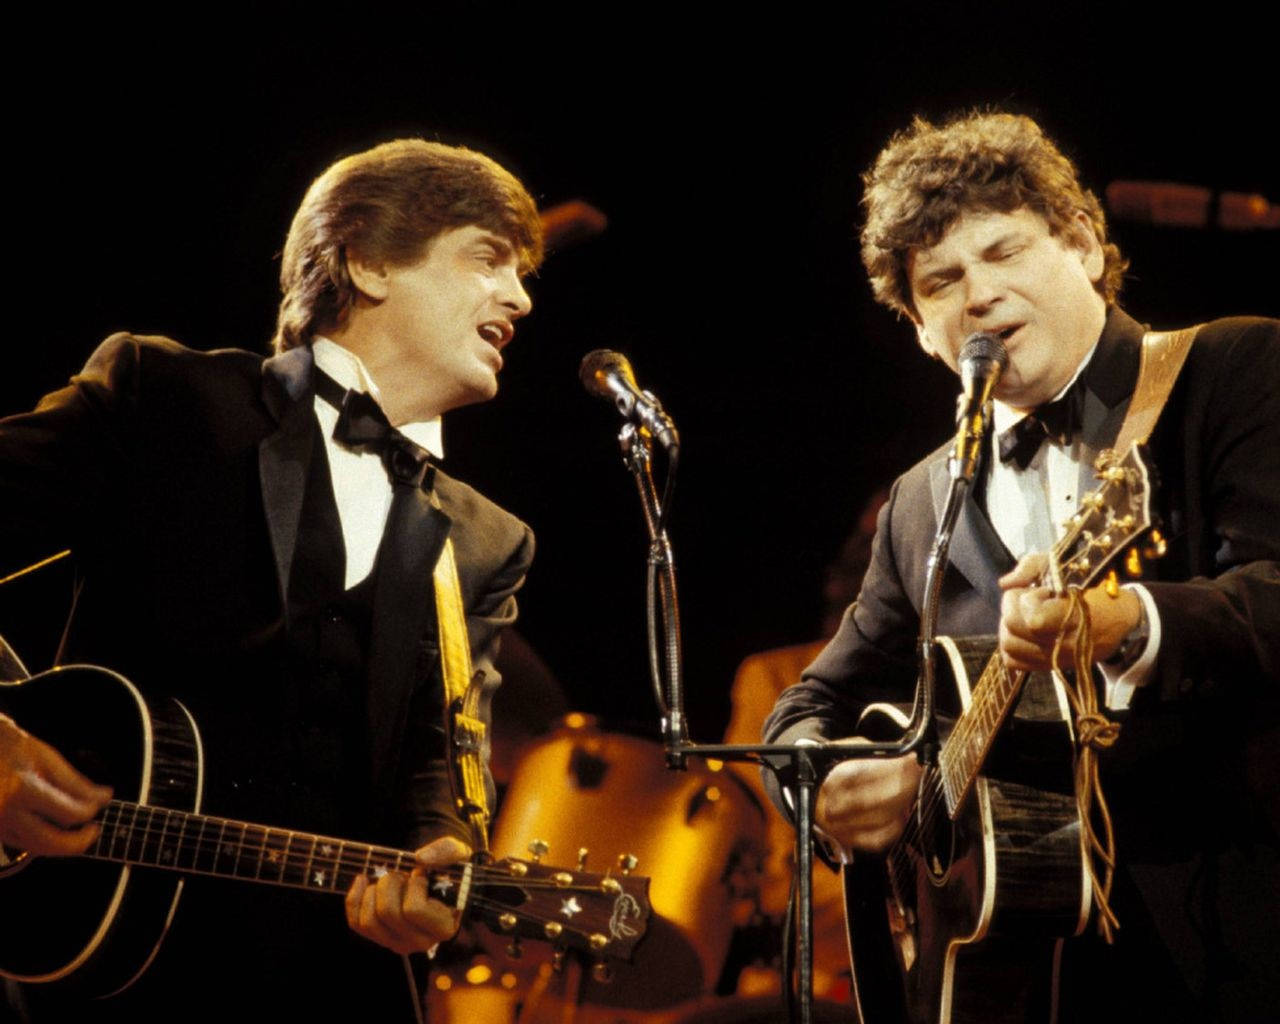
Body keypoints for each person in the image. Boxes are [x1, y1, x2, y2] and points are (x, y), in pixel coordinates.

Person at [0, 138, 542, 1021]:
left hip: (330, 982)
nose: (518, 298)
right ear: (367, 261)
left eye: (521, 277)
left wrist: (437, 854)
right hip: (92, 963)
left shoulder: (489, 541)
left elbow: (438, 760)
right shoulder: (163, 397)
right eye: (488, 259)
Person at [764, 112, 1279, 1022]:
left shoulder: (1233, 366)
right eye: (943, 282)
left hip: (1234, 930)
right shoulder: (919, 501)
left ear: (1083, 245)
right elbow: (802, 711)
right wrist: (831, 783)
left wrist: (1127, 623)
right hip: (1010, 974)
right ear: (923, 329)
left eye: (1004, 253)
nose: (981, 295)